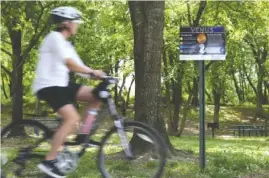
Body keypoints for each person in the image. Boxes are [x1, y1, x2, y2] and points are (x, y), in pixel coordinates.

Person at [32, 6, 105, 178]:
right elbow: (70, 64)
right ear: (67, 23)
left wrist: (99, 75)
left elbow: (79, 68)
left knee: (96, 95)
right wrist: (92, 72)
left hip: (62, 84)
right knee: (72, 119)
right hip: (48, 86)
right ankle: (49, 161)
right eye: (76, 22)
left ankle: (83, 135)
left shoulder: (66, 44)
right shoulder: (54, 38)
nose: (77, 25)